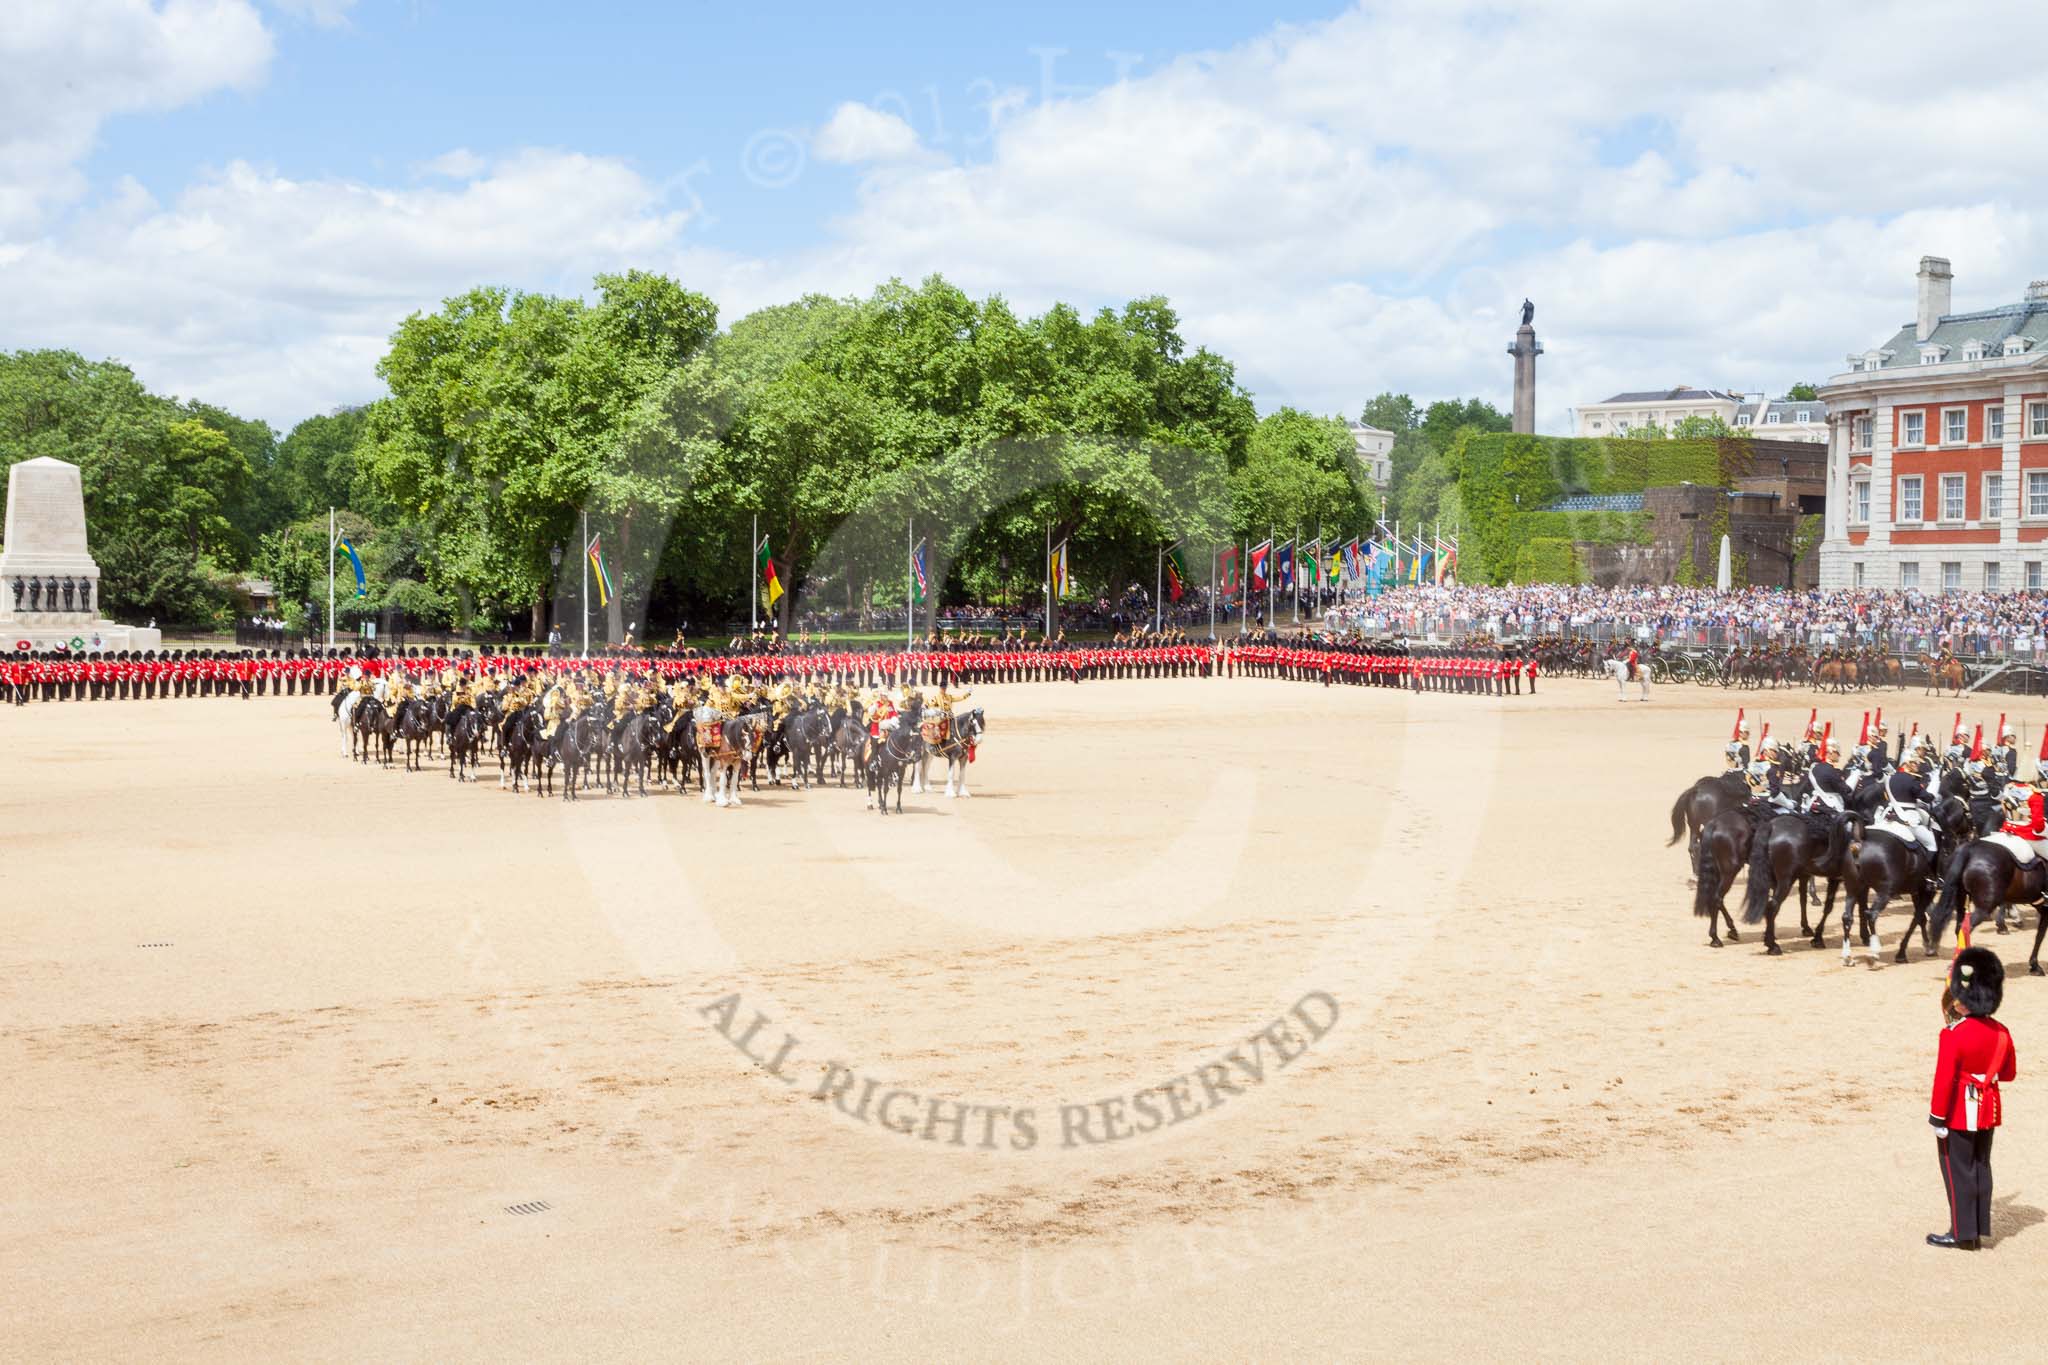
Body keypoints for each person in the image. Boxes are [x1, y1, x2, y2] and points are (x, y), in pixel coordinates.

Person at [1928, 946, 2016, 1250]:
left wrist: (1937, 1117)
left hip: (1959, 1111)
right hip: (1988, 1109)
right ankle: (1976, 1229)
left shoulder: (1953, 1034)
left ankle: (1962, 1234)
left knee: (1957, 1170)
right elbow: (2008, 1074)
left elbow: (1943, 1081)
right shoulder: (2002, 1032)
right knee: (1981, 1166)